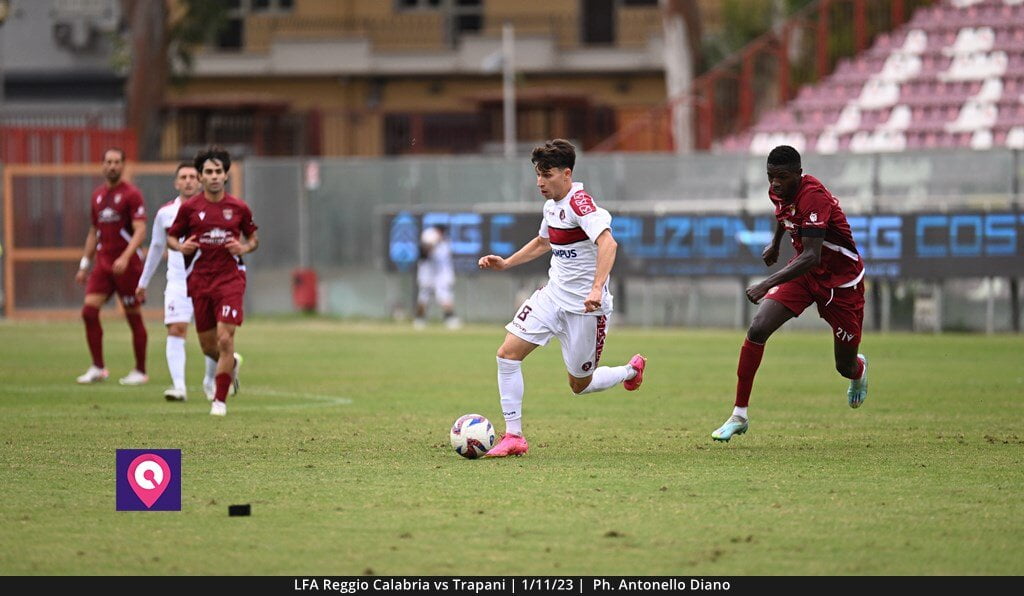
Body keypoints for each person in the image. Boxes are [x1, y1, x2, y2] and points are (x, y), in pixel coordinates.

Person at [477, 139, 647, 457]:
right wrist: (507, 262)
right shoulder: (552, 205)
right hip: (552, 297)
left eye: (548, 174)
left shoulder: (581, 204)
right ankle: (514, 436)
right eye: (538, 174)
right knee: (507, 354)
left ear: (566, 174)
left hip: (585, 310)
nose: (540, 182)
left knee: (579, 384)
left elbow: (609, 245)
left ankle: (629, 371)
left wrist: (596, 288)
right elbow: (544, 243)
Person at [712, 145, 868, 442]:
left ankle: (859, 370)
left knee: (843, 366)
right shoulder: (779, 190)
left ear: (799, 173)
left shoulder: (814, 197)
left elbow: (812, 255)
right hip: (805, 277)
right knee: (757, 328)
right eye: (770, 177)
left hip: (841, 283)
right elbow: (784, 215)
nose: (775, 184)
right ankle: (739, 415)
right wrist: (775, 242)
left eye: (781, 177)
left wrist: (766, 283)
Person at [167, 146, 258, 416]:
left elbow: (254, 239)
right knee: (208, 346)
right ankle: (230, 365)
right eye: (209, 172)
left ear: (226, 175)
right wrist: (179, 247)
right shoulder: (190, 209)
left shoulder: (238, 208)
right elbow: (173, 236)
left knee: (225, 339)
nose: (214, 176)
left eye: (219, 171)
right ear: (200, 177)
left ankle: (219, 401)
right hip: (199, 281)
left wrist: (244, 248)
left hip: (230, 280)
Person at [136, 163, 219, 402]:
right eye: (184, 177)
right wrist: (143, 281)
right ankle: (179, 387)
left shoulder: (212, 210)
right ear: (176, 183)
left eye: (193, 176)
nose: (189, 181)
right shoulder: (166, 213)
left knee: (211, 338)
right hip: (178, 282)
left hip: (208, 281)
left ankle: (210, 381)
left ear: (200, 180)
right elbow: (156, 247)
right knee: (176, 328)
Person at [75, 148, 149, 386]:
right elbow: (93, 232)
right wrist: (85, 264)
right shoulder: (97, 195)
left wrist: (126, 257)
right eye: (108, 162)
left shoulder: (131, 194)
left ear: (123, 165)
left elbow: (140, 230)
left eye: (117, 162)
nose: (112, 166)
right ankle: (98, 367)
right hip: (103, 265)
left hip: (127, 267)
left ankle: (140, 370)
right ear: (102, 165)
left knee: (133, 318)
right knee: (88, 312)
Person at [414, 224, 459, 329]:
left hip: (441, 274)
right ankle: (420, 318)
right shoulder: (429, 235)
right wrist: (433, 243)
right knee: (423, 297)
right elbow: (423, 254)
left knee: (445, 296)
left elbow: (446, 260)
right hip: (427, 273)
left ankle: (449, 318)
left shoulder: (445, 242)